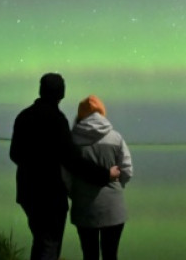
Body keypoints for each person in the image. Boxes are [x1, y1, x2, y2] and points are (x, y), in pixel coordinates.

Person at [10, 73, 121, 260]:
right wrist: (105, 175)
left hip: (27, 193)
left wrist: (33, 166)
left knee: (40, 241)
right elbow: (73, 161)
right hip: (49, 196)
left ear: (41, 90)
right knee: (49, 245)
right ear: (61, 94)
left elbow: (14, 154)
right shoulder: (57, 119)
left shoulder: (24, 116)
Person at [65, 95, 133, 260]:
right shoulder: (116, 137)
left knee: (89, 255)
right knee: (111, 254)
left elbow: (65, 177)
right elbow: (127, 171)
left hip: (84, 207)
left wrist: (74, 194)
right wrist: (118, 186)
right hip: (113, 207)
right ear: (102, 112)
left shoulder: (71, 139)